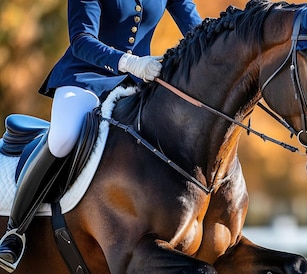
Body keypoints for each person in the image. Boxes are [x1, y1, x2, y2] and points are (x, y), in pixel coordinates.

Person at [0, 0, 203, 272]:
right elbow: (82, 41)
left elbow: (197, 29)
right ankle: (15, 232)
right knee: (63, 138)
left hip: (140, 84)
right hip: (86, 78)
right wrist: (129, 62)